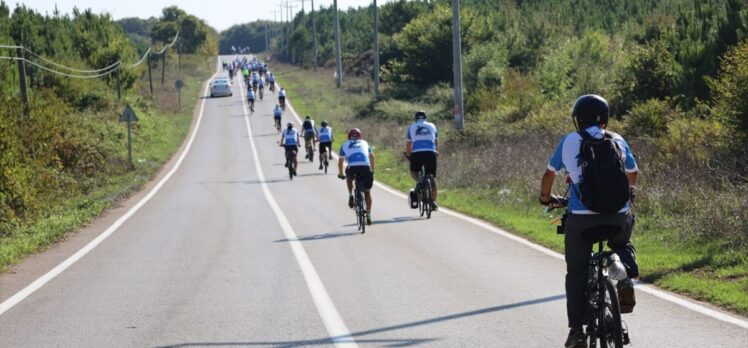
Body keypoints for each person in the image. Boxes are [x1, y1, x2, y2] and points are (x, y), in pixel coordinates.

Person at [538, 94, 639, 348]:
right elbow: (633, 175)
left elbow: (549, 175)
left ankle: (577, 332)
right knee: (622, 239)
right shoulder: (617, 139)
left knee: (576, 273)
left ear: (578, 120)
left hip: (582, 220)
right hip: (617, 215)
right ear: (605, 118)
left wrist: (545, 198)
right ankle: (624, 274)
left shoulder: (570, 141)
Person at [337, 128, 375, 225]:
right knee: (367, 192)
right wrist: (372, 170)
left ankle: (351, 195)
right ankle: (369, 214)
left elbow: (340, 161)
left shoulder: (344, 145)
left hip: (352, 168)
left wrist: (341, 174)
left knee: (349, 179)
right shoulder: (365, 143)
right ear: (360, 136)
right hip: (365, 167)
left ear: (348, 136)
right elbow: (372, 156)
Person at [404, 110, 439, 210]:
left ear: (416, 119)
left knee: (413, 170)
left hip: (417, 153)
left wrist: (408, 154)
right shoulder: (432, 126)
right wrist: (436, 151)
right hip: (430, 152)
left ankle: (419, 182)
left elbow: (408, 144)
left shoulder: (412, 127)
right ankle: (434, 202)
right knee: (432, 177)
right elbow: (436, 140)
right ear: (425, 118)